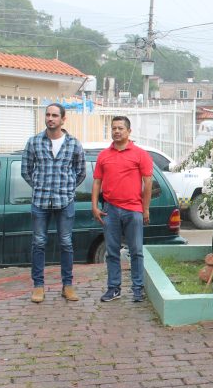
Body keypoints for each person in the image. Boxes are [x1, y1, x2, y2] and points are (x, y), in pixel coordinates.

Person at [21, 103, 86, 304]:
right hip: (40, 201)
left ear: (63, 119)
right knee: (39, 243)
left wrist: (66, 188)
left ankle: (67, 286)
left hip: (65, 202)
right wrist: (40, 185)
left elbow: (81, 172)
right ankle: (38, 286)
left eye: (55, 115)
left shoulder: (74, 144)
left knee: (66, 243)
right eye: (48, 115)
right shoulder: (34, 142)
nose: (50, 118)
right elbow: (26, 170)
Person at [91, 116, 153, 303]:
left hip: (133, 210)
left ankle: (137, 289)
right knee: (112, 252)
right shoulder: (104, 155)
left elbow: (148, 182)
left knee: (136, 251)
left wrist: (145, 209)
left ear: (129, 131)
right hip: (110, 210)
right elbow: (96, 182)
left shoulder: (140, 154)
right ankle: (113, 288)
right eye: (114, 128)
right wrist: (94, 206)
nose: (116, 131)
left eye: (120, 128)